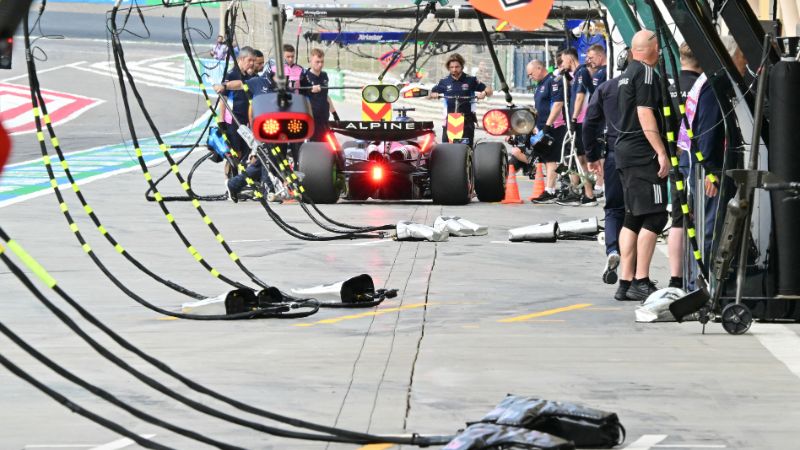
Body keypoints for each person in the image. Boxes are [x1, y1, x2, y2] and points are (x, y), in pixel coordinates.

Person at [613, 30, 670, 302]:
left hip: (624, 150)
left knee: (632, 216)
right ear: (650, 49)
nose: (659, 52)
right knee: (656, 215)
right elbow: (645, 112)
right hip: (642, 153)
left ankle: (625, 281)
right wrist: (661, 151)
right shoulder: (646, 74)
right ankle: (641, 280)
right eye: (657, 47)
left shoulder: (624, 75)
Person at [583, 51, 627, 288]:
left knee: (613, 209)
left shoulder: (606, 88)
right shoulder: (651, 87)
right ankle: (635, 272)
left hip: (613, 153)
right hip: (644, 157)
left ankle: (612, 248)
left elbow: (590, 122)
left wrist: (592, 155)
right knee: (640, 214)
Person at [667, 42, 703, 289]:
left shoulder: (668, 87)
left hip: (674, 157)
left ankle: (675, 277)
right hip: (695, 159)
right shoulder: (701, 88)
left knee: (678, 219)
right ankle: (696, 274)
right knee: (698, 218)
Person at [557, 48, 598, 206]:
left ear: (569, 57)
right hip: (579, 121)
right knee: (576, 157)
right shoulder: (576, 74)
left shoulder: (582, 72)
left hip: (581, 121)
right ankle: (580, 191)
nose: (562, 63)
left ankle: (588, 193)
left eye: (563, 60)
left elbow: (580, 97)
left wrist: (573, 119)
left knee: (581, 158)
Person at [429, 53, 493, 145]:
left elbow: (489, 91)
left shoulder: (471, 80)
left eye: (457, 67)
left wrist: (484, 93)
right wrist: (432, 95)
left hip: (467, 120)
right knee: (446, 149)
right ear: (448, 68)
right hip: (449, 120)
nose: (454, 69)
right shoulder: (444, 81)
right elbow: (428, 94)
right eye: (451, 67)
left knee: (466, 148)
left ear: (462, 67)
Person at [531, 55, 569, 204]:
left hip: (553, 126)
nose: (530, 77)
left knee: (552, 158)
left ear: (540, 68)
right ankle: (550, 188)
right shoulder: (540, 84)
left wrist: (547, 125)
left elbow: (558, 104)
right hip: (542, 126)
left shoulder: (552, 81)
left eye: (531, 73)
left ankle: (550, 190)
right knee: (547, 159)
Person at [299, 48, 339, 166]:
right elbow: (299, 97)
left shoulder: (325, 76)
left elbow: (326, 96)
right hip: (312, 119)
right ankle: (312, 168)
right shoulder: (304, 77)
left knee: (328, 146)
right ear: (310, 60)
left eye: (322, 62)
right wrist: (310, 90)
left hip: (324, 118)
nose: (320, 64)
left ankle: (327, 167)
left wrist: (335, 114)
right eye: (317, 62)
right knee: (313, 147)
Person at [219, 46, 256, 175]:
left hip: (246, 120)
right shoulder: (231, 74)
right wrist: (221, 120)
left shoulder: (248, 76)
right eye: (249, 60)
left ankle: (241, 181)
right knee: (235, 153)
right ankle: (229, 181)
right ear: (241, 59)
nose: (252, 64)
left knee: (246, 152)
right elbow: (222, 98)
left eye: (253, 61)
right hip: (233, 120)